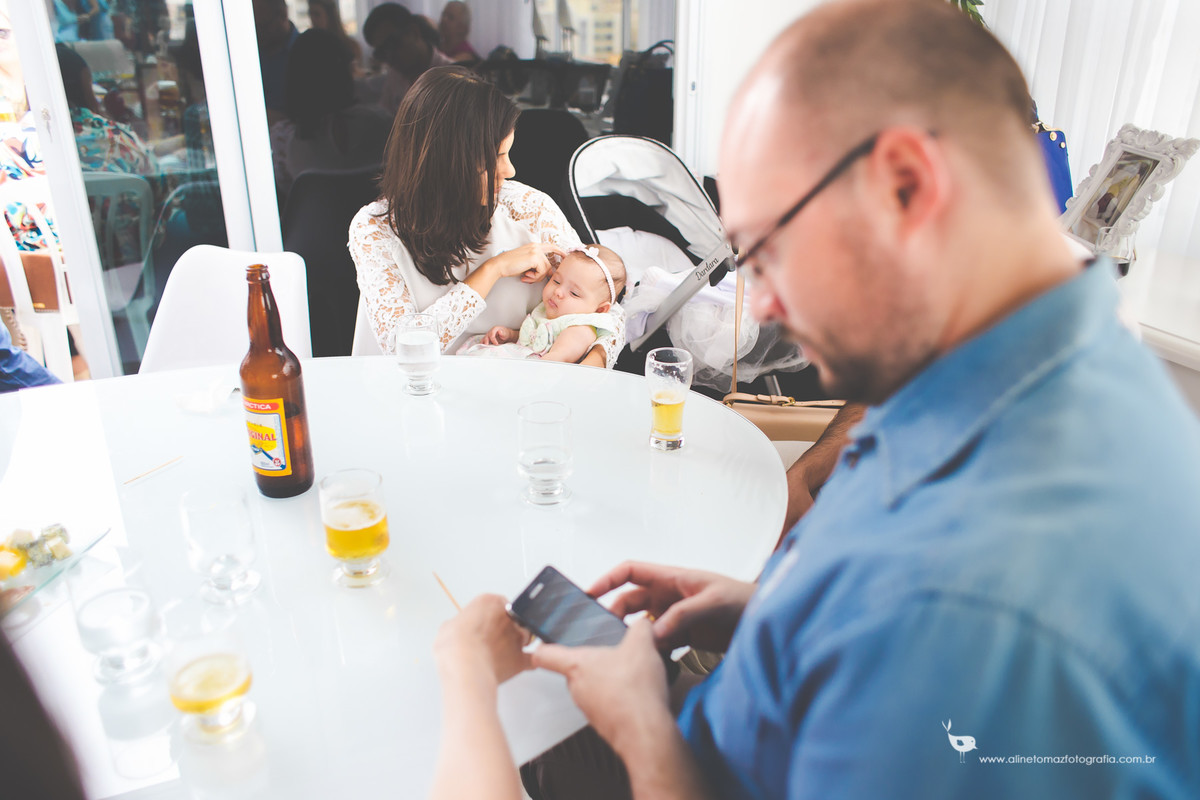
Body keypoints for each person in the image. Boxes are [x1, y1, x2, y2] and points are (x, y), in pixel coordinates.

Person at [426, 1, 1200, 798]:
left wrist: (632, 721)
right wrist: (771, 613)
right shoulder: (996, 365)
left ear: (908, 186)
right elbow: (879, 650)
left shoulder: (981, 602)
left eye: (769, 248)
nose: (766, 304)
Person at [348, 66, 624, 368]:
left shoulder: (529, 208)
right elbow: (404, 348)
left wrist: (591, 364)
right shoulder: (374, 230)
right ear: (449, 162)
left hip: (516, 392)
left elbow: (605, 305)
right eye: (496, 158)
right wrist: (494, 269)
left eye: (509, 153)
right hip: (416, 393)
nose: (510, 171)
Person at [270, 29, 391, 201]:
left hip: (319, 227)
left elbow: (290, 199)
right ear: (346, 71)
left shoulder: (288, 143)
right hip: (378, 224)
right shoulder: (380, 122)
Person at [459, 244, 627, 363]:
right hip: (520, 357)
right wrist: (511, 335)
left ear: (599, 310)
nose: (558, 292)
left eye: (574, 293)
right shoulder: (550, 310)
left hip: (532, 372)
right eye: (556, 280)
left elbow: (555, 361)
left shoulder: (580, 329)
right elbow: (535, 338)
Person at [372, 12, 454, 115]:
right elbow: (384, 118)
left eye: (393, 44)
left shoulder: (452, 75)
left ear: (414, 32)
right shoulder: (395, 74)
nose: (390, 57)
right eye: (381, 52)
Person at [253, 0, 299, 125]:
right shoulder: (250, 54)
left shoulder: (306, 54)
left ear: (283, 15)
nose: (257, 33)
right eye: (253, 27)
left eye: (262, 27)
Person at [307, 0, 364, 71]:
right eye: (310, 14)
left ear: (330, 16)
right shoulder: (309, 48)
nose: (312, 19)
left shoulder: (351, 46)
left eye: (317, 14)